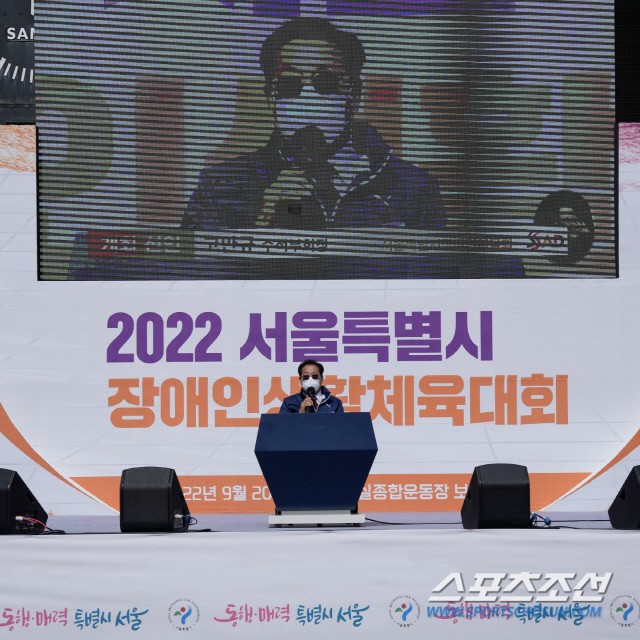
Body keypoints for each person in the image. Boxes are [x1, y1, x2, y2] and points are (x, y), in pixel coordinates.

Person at [182, 17, 446, 232]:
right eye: (289, 84)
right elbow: (192, 271)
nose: (307, 99)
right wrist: (261, 223)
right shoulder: (219, 186)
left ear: (354, 96)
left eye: (325, 83)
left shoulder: (414, 188)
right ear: (271, 99)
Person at [279, 359, 344, 414]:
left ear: (321, 379)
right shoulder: (289, 402)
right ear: (300, 380)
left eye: (314, 376)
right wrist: (300, 413)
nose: (310, 380)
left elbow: (341, 424)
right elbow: (282, 424)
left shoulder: (335, 403)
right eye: (306, 377)